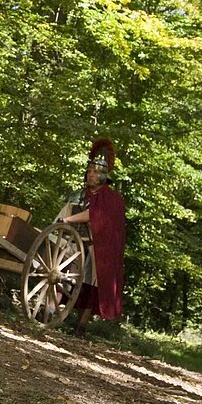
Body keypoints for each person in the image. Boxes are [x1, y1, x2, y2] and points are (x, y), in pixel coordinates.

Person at [59, 139, 126, 336]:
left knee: (90, 283)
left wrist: (69, 219)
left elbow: (94, 215)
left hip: (99, 247)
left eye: (96, 173)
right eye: (90, 171)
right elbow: (65, 212)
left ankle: (81, 325)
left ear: (104, 177)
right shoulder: (80, 195)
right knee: (63, 275)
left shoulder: (111, 198)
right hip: (74, 243)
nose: (92, 175)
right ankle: (54, 312)